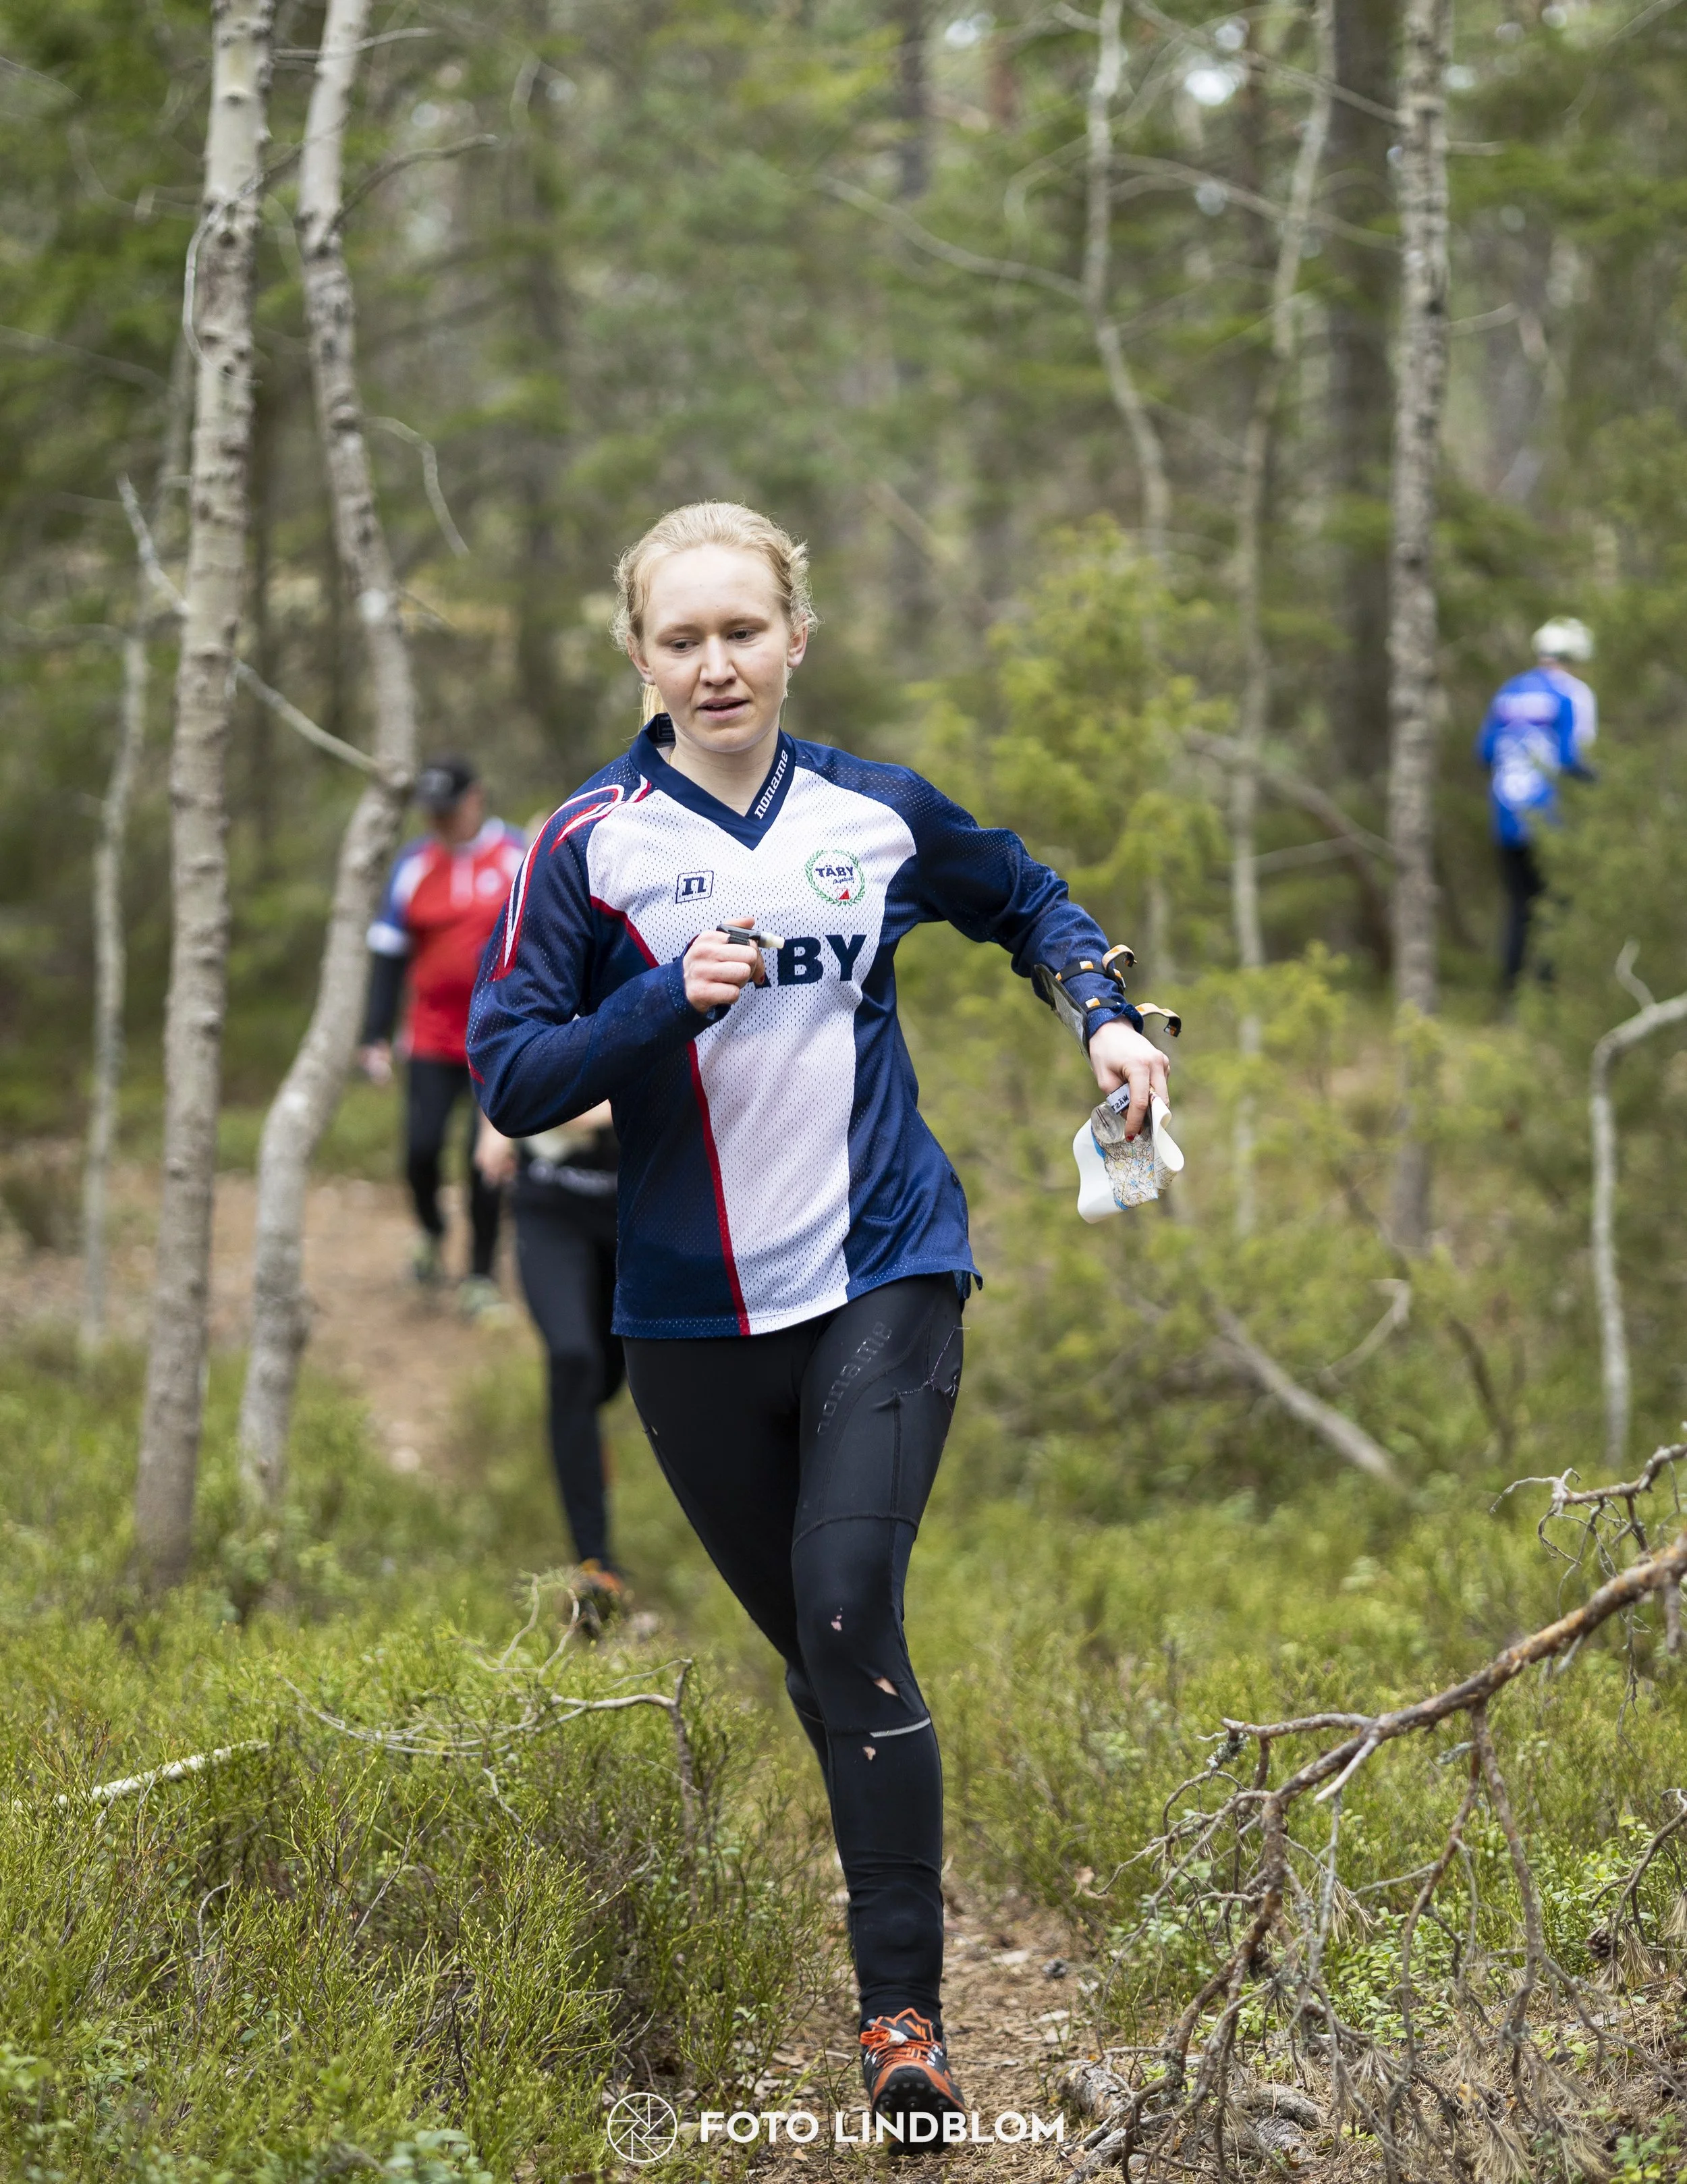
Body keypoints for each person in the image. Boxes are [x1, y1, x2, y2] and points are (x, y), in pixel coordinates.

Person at [467, 501, 1170, 2135]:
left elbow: (1028, 899)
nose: (716, 663)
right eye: (682, 638)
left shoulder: (873, 810)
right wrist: (659, 1000)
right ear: (638, 660)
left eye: (743, 631)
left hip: (886, 1265)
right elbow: (510, 1074)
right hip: (691, 1319)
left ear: (797, 638)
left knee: (848, 1610)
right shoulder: (588, 847)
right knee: (819, 1653)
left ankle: (901, 2024)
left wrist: (1106, 1017)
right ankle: (899, 1895)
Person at [359, 757, 525, 1316]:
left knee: (486, 1160)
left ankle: (480, 1274)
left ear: (475, 799)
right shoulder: (413, 865)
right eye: (431, 812)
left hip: (498, 1040)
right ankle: (431, 1229)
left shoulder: (518, 855)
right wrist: (374, 1035)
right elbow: (388, 954)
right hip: (430, 1039)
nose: (439, 821)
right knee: (421, 1151)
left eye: (448, 809)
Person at [474, 1101, 625, 1595]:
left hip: (636, 1205)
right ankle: (595, 1562)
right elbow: (508, 1035)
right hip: (549, 1202)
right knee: (573, 1360)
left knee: (608, 1378)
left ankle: (588, 1439)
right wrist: (496, 1118)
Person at [1476, 618, 1598, 993]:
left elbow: (1483, 753)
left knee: (1518, 908)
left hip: (1506, 818)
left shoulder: (1509, 691)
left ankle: (1507, 999)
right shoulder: (1572, 694)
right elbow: (1571, 757)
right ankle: (1547, 1000)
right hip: (1549, 821)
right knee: (1555, 908)